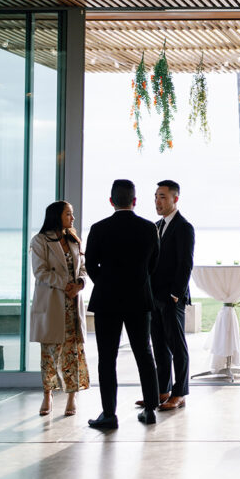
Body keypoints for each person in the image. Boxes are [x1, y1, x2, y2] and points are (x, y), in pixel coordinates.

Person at [85, 179, 161, 430]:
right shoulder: (149, 228)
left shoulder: (98, 228)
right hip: (139, 298)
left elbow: (91, 265)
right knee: (144, 354)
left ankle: (109, 414)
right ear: (135, 201)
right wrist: (138, 281)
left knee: (107, 358)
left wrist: (105, 283)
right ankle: (150, 409)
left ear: (111, 201)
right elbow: (153, 264)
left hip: (107, 301)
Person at [29, 200, 90, 417]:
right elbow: (40, 272)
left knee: (73, 354)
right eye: (68, 214)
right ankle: (48, 394)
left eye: (72, 214)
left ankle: (72, 397)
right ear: (57, 216)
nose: (72, 218)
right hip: (52, 304)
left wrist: (80, 284)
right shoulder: (40, 241)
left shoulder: (73, 239)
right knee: (50, 354)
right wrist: (66, 283)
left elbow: (83, 267)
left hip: (73, 305)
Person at [146, 179, 195, 413]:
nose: (158, 200)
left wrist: (176, 294)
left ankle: (180, 393)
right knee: (159, 347)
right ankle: (163, 390)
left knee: (177, 347)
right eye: (156, 196)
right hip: (154, 297)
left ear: (175, 199)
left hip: (173, 298)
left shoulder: (184, 227)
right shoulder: (156, 225)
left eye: (163, 196)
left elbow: (186, 263)